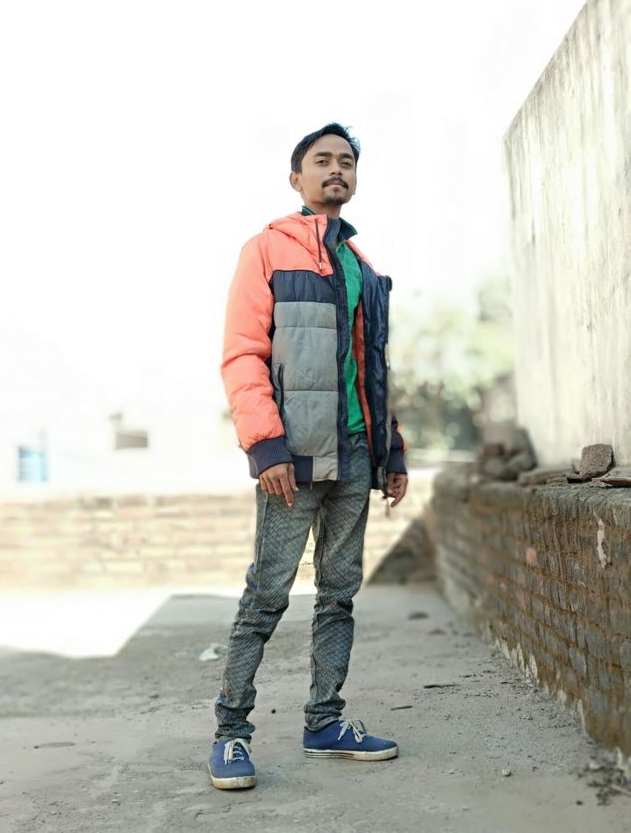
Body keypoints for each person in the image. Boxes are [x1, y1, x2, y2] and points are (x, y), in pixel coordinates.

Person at [208, 122, 408, 790]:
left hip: (354, 457)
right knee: (266, 596)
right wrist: (264, 444)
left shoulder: (363, 267)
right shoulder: (266, 250)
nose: (336, 169)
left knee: (338, 596)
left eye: (346, 161)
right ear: (297, 179)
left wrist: (392, 450)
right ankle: (231, 733)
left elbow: (372, 367)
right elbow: (243, 354)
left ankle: (324, 721)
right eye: (322, 160)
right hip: (292, 459)